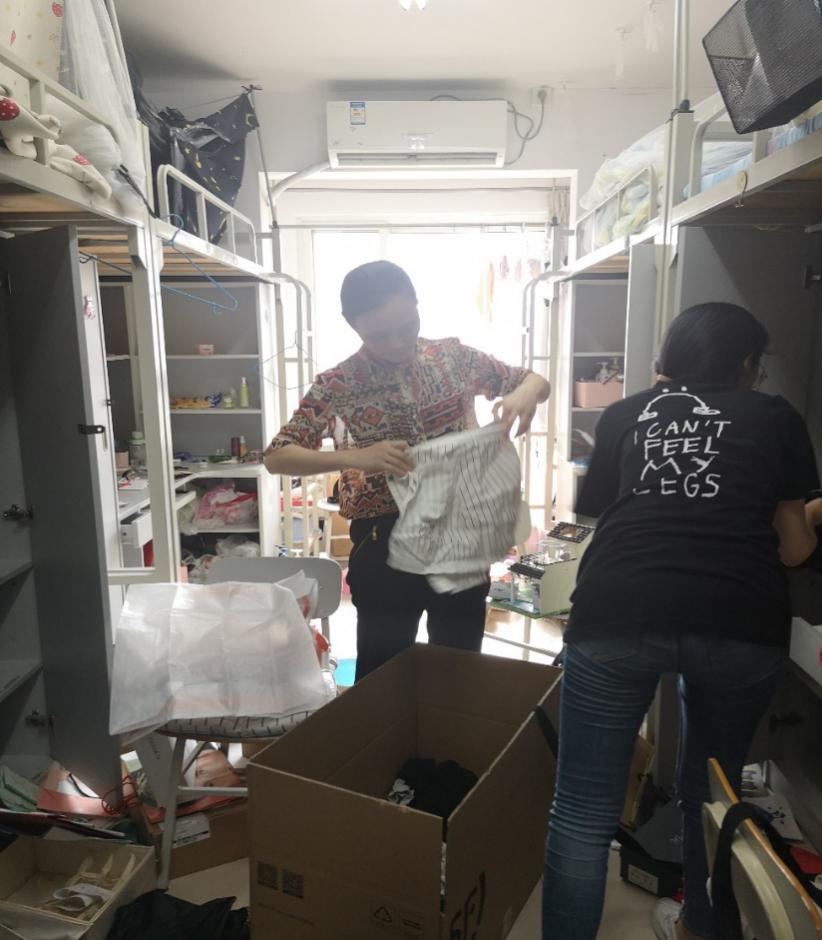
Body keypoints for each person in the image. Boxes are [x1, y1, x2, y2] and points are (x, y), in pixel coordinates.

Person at [541, 303, 822, 940]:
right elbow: (793, 549)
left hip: (619, 607)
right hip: (739, 617)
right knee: (710, 794)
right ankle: (699, 926)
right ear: (748, 364)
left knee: (582, 809)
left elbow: (603, 517)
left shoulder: (623, 412)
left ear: (668, 359)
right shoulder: (776, 416)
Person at [265, 260, 550, 681]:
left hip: (461, 533)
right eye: (379, 335)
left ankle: (453, 725)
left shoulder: (452, 357)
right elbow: (277, 456)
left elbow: (534, 381)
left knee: (459, 665)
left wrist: (525, 394)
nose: (397, 343)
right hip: (384, 541)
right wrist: (356, 457)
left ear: (417, 304)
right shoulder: (338, 383)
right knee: (384, 672)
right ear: (352, 324)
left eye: (407, 326)